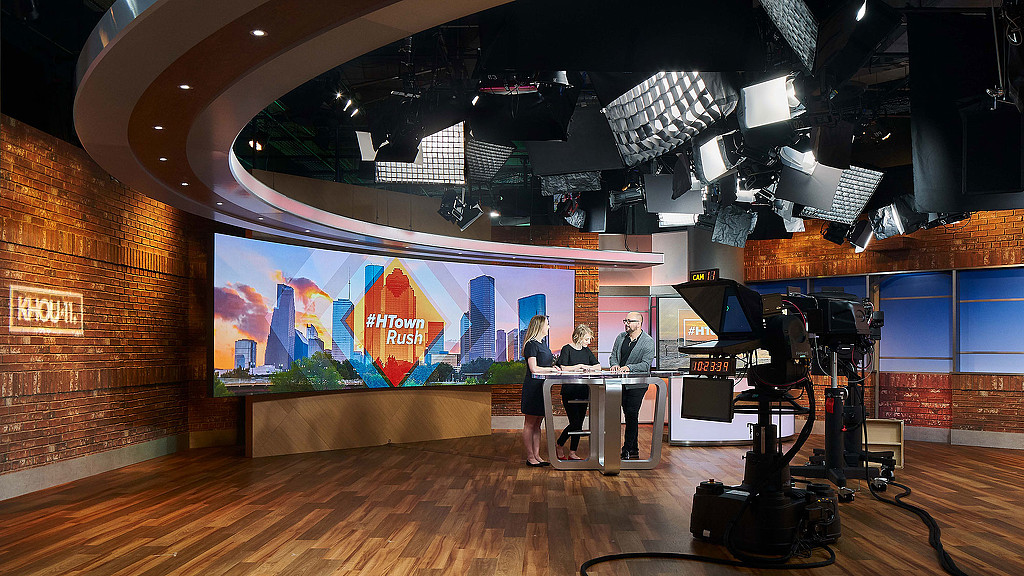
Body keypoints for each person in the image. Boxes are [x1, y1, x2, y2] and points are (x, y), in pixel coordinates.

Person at [609, 311, 655, 460]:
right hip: (620, 382)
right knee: (626, 415)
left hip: (637, 385)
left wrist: (629, 367)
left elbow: (646, 365)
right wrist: (615, 365)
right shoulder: (620, 337)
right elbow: (613, 356)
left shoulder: (648, 341)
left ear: (639, 323)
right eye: (625, 320)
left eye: (629, 321)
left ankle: (627, 449)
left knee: (631, 414)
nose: (626, 323)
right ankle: (633, 449)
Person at [555, 324, 601, 460]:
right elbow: (563, 367)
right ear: (579, 337)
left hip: (583, 390)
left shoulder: (586, 351)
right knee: (575, 422)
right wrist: (580, 366)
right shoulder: (567, 349)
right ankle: (559, 443)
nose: (589, 342)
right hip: (570, 390)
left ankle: (572, 452)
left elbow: (597, 365)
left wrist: (589, 368)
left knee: (579, 423)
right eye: (587, 339)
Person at [521, 315, 561, 467]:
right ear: (539, 326)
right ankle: (530, 457)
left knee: (538, 424)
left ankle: (537, 456)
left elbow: (544, 365)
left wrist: (554, 368)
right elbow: (534, 368)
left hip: (543, 388)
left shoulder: (543, 344)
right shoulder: (531, 344)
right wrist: (551, 370)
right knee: (530, 424)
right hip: (533, 388)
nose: (549, 327)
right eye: (547, 324)